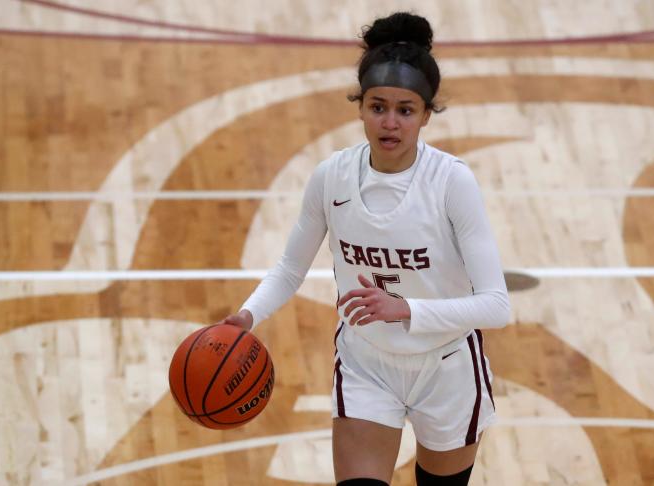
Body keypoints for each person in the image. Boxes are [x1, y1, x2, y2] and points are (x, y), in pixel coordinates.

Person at [217, 12, 510, 486]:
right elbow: (291, 268)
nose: (389, 122)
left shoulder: (452, 182)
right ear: (359, 107)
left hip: (447, 366)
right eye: (377, 107)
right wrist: (248, 315)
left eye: (405, 109)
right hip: (366, 362)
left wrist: (404, 310)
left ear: (426, 114)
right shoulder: (331, 177)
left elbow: (495, 307)